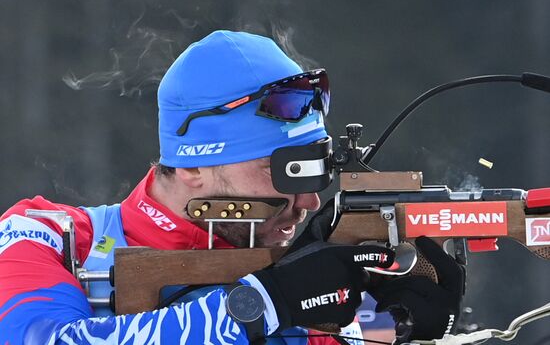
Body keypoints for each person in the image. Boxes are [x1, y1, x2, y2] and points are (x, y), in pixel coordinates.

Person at [0, 30, 463, 345]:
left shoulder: (312, 294)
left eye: (316, 170)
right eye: (283, 171)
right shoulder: (46, 235)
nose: (308, 201)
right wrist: (263, 303)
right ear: (192, 169)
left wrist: (394, 326)